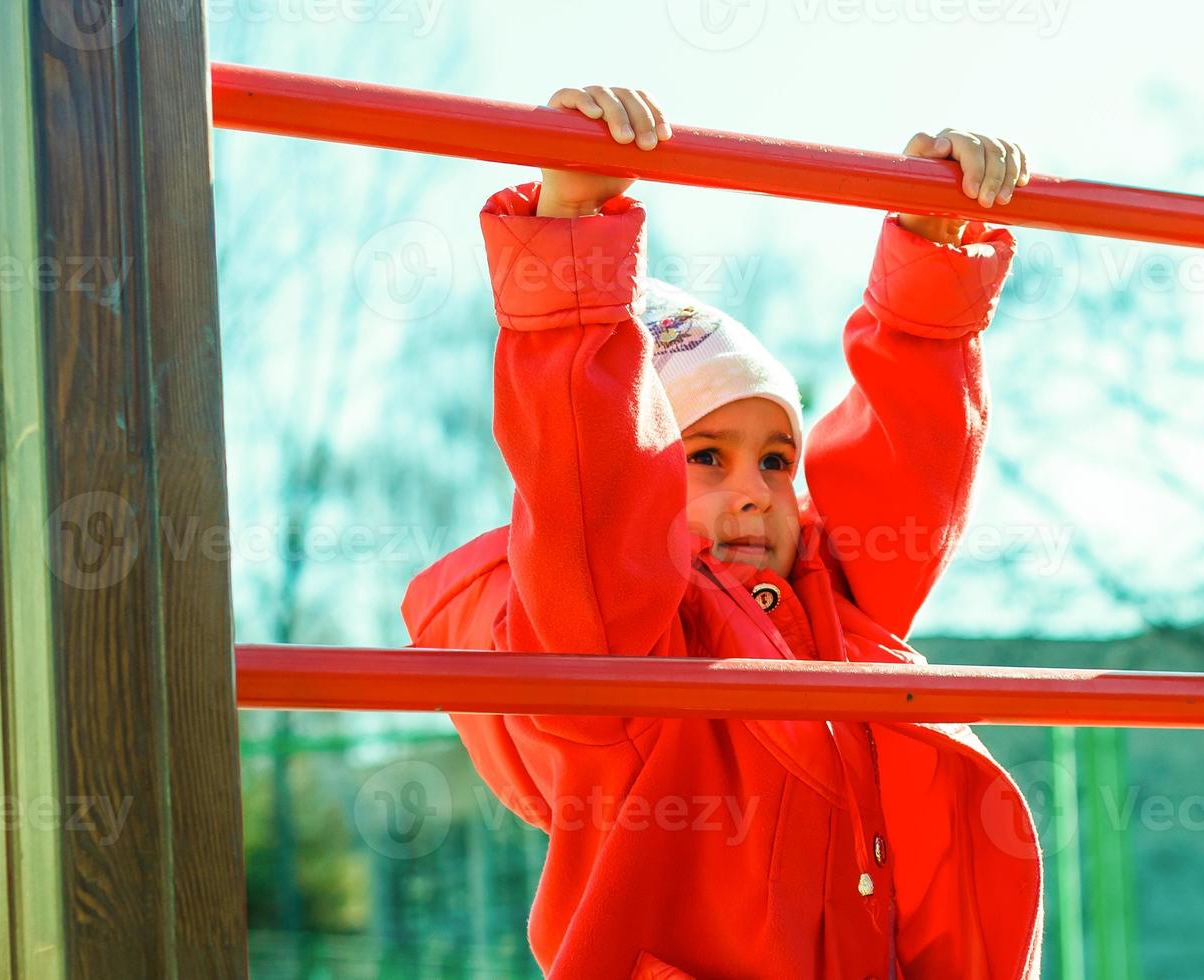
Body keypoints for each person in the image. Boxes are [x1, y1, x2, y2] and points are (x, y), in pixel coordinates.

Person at [400, 83, 1044, 979]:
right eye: (706, 456)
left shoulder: (833, 618)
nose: (755, 493)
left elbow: (911, 466)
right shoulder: (613, 640)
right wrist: (575, 232)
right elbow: (587, 485)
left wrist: (931, 264)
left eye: (778, 460)